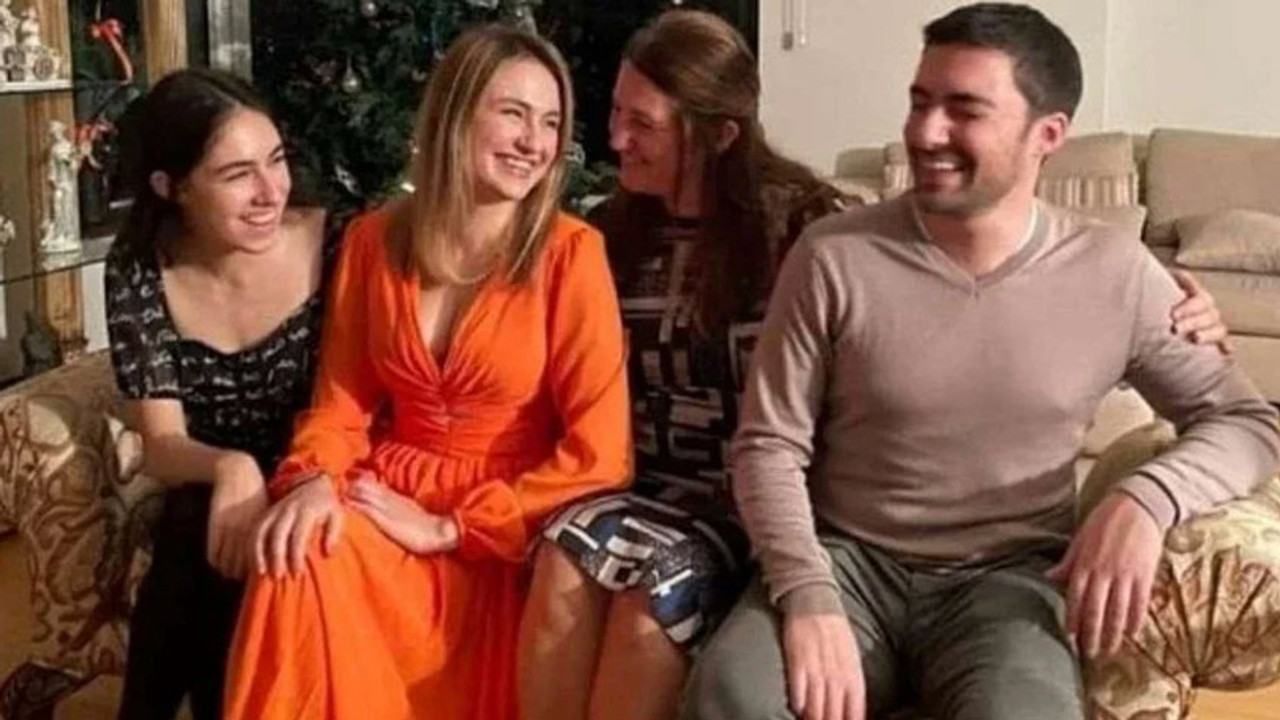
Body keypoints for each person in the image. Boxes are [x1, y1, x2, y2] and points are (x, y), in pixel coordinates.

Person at [517, 9, 1233, 720]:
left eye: (964, 110)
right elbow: (769, 443)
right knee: (727, 688)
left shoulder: (1114, 274)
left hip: (1005, 580)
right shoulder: (831, 253)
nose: (925, 132)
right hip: (842, 557)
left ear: (1048, 135)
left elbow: (1244, 418)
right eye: (920, 102)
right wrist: (808, 594)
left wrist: (1147, 498)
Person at [221, 24, 631, 720]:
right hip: (384, 498)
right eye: (513, 113)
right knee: (299, 549)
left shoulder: (571, 253)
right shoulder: (372, 241)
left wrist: (452, 528)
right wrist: (315, 479)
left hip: (502, 526)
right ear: (454, 115)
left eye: (550, 122)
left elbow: (602, 454)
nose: (534, 142)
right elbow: (341, 404)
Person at [105, 67, 339, 720]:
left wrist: (298, 476)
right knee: (198, 520)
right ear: (171, 187)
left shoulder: (338, 241)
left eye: (276, 160)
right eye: (237, 174)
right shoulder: (140, 267)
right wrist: (233, 467)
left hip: (325, 471)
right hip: (211, 489)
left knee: (210, 538)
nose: (270, 192)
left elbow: (365, 400)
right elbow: (162, 442)